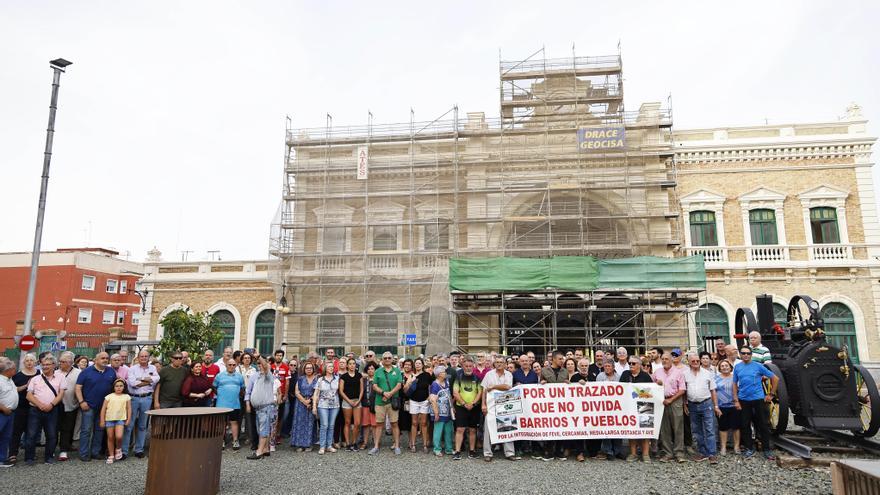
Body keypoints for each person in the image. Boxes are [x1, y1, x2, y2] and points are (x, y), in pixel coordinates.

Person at [733, 345, 778, 460]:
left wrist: (771, 394)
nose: (746, 355)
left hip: (758, 399)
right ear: (740, 354)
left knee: (763, 425)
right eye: (743, 353)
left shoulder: (758, 366)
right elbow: (734, 384)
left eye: (748, 353)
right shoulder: (737, 367)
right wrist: (736, 400)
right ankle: (749, 448)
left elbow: (775, 378)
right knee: (745, 425)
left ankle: (766, 449)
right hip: (743, 400)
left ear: (751, 355)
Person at [75, 352, 116, 462]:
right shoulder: (86, 372)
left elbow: (115, 387)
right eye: (102, 358)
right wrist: (81, 401)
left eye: (107, 358)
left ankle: (95, 452)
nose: (105, 360)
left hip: (104, 407)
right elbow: (78, 388)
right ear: (96, 360)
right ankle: (83, 453)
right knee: (86, 430)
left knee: (99, 430)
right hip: (89, 406)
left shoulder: (111, 371)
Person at [25, 354, 65, 465]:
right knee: (31, 434)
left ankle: (49, 457)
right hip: (35, 410)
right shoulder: (35, 379)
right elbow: (29, 395)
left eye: (48, 364)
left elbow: (61, 394)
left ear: (54, 365)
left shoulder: (61, 378)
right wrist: (40, 405)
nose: (45, 367)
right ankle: (29, 458)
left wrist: (51, 405)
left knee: (52, 435)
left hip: (52, 410)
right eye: (43, 365)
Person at [683, 352, 720, 464]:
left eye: (697, 361)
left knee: (709, 429)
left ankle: (712, 454)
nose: (695, 363)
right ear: (689, 362)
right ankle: (703, 453)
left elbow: (713, 390)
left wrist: (716, 405)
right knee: (697, 430)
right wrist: (685, 404)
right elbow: (684, 390)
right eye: (693, 361)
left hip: (706, 403)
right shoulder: (685, 374)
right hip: (692, 405)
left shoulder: (707, 373)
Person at [481, 356, 517, 461]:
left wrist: (493, 387)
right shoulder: (489, 374)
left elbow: (507, 386)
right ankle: (487, 453)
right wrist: (483, 404)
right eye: (497, 362)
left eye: (501, 362)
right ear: (494, 364)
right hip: (491, 405)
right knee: (487, 429)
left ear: (505, 364)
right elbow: (484, 390)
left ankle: (509, 453)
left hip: (505, 405)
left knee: (508, 427)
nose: (499, 364)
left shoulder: (509, 374)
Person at [124, 350, 158, 458]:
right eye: (141, 356)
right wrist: (148, 381)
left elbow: (157, 378)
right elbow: (133, 384)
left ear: (149, 358)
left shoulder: (153, 368)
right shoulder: (132, 369)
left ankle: (139, 449)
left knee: (143, 425)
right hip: (134, 398)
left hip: (147, 398)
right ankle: (124, 451)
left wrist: (141, 379)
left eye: (146, 356)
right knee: (129, 425)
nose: (144, 358)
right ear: (138, 358)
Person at [652, 352, 686, 463]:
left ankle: (679, 453)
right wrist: (656, 384)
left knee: (678, 427)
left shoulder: (678, 372)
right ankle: (667, 453)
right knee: (664, 429)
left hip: (675, 400)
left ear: (671, 360)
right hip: (661, 400)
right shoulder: (657, 372)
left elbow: (682, 389)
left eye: (666, 359)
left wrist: (671, 400)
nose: (664, 361)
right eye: (663, 359)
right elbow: (650, 387)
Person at [245, 356, 280, 460]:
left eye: (262, 364)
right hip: (259, 408)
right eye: (258, 364)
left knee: (263, 429)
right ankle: (265, 449)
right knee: (261, 429)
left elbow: (265, 366)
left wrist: (259, 357)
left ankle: (259, 452)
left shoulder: (268, 376)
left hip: (265, 407)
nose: (261, 365)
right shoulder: (257, 376)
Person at [619, 357, 653, 463]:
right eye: (630, 363)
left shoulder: (645, 376)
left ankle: (646, 454)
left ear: (639, 365)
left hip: (645, 405)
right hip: (629, 405)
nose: (631, 365)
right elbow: (620, 388)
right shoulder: (625, 374)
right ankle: (633, 453)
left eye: (633, 363)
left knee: (646, 429)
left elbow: (651, 390)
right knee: (631, 429)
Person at [370, 352, 403, 455]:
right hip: (380, 402)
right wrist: (384, 393)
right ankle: (376, 446)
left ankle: (397, 446)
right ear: (382, 359)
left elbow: (399, 385)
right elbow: (374, 385)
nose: (387, 359)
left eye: (389, 357)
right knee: (379, 424)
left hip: (393, 402)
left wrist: (389, 394)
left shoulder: (397, 371)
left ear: (392, 359)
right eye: (385, 358)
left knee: (394, 423)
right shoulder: (378, 371)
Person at [8, 352, 38, 464]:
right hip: (21, 407)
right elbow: (13, 390)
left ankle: (30, 454)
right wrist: (26, 386)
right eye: (27, 360)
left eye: (31, 360)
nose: (29, 362)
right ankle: (12, 454)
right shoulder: (17, 376)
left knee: (32, 432)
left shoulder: (40, 374)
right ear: (23, 362)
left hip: (35, 407)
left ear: (35, 362)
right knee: (17, 431)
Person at [540, 350, 569, 461]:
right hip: (549, 405)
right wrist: (542, 383)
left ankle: (558, 451)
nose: (562, 361)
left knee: (561, 427)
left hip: (561, 405)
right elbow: (539, 386)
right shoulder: (544, 371)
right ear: (554, 359)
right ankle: (549, 451)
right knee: (549, 427)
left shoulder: (565, 371)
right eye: (560, 359)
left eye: (563, 359)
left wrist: (568, 384)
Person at [452, 357, 481, 460]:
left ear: (473, 366)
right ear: (463, 366)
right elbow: (455, 392)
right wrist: (464, 404)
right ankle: (457, 451)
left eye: (470, 366)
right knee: (460, 429)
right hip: (461, 407)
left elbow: (479, 392)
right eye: (466, 366)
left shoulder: (477, 378)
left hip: (474, 407)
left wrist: (472, 404)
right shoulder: (458, 377)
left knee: (473, 430)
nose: (468, 368)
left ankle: (472, 451)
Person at [595, 359, 624, 460]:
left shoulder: (618, 377)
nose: (607, 368)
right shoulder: (600, 376)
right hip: (604, 407)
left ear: (613, 367)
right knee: (606, 429)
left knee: (617, 428)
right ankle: (608, 451)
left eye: (609, 366)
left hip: (616, 407)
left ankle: (617, 450)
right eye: (605, 366)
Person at [214, 358, 245, 450]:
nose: (231, 366)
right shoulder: (219, 376)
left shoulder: (239, 376)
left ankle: (235, 441)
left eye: (233, 365)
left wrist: (235, 395)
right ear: (226, 365)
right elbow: (214, 387)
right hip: (221, 404)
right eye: (229, 365)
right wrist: (221, 394)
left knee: (234, 422)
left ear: (236, 366)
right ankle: (221, 441)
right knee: (222, 423)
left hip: (234, 404)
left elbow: (242, 389)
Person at [56, 351, 81, 462]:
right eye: (60, 361)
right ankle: (54, 448)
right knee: (55, 428)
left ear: (70, 362)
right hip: (56, 405)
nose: (60, 363)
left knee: (68, 427)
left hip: (72, 404)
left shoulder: (79, 373)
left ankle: (64, 449)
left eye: (63, 362)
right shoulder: (55, 372)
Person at [99, 378, 131, 464]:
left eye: (121, 386)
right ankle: (111, 455)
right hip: (109, 419)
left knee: (119, 436)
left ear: (124, 387)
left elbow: (129, 409)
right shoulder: (108, 397)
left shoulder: (126, 397)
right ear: (113, 387)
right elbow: (103, 409)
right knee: (110, 437)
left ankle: (118, 448)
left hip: (120, 419)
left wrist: (128, 419)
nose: (119, 388)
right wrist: (102, 420)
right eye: (117, 386)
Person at [405, 357, 432, 453]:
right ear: (414, 365)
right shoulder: (411, 375)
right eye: (416, 363)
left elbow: (430, 387)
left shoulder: (427, 375)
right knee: (414, 423)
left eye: (419, 363)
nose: (417, 365)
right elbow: (405, 390)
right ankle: (413, 444)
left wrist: (430, 397)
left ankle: (425, 444)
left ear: (422, 365)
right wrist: (409, 382)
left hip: (424, 401)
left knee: (424, 423)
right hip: (413, 401)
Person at [312, 362, 340, 455]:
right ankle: (322, 446)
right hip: (323, 405)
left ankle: (329, 446)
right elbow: (316, 394)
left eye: (332, 366)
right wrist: (314, 406)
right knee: (324, 425)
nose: (331, 368)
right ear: (325, 368)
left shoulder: (337, 379)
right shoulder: (320, 379)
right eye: (329, 367)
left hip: (335, 405)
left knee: (331, 426)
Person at [715, 360, 740, 455]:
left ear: (730, 367)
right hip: (721, 406)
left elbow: (740, 390)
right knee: (723, 428)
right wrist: (716, 406)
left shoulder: (735, 378)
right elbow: (714, 393)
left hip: (734, 405)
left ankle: (736, 446)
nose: (725, 367)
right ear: (719, 368)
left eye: (726, 365)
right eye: (722, 366)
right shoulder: (716, 378)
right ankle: (723, 447)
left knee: (736, 427)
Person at [291, 362, 318, 451]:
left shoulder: (317, 379)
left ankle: (308, 444)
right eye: (307, 368)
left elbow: (317, 392)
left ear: (313, 369)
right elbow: (296, 392)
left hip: (312, 402)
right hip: (300, 404)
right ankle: (299, 444)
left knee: (310, 424)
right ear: (304, 369)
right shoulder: (300, 379)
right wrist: (304, 401)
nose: (309, 369)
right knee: (300, 423)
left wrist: (309, 401)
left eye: (310, 368)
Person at [338, 357, 362, 451]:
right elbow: (341, 390)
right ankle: (348, 443)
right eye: (350, 363)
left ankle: (354, 442)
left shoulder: (359, 375)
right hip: (347, 402)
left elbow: (361, 389)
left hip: (357, 401)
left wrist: (359, 400)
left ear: (356, 365)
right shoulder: (343, 377)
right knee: (347, 422)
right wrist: (349, 401)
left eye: (354, 363)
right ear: (347, 365)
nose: (352, 365)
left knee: (357, 423)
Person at [429, 365, 454, 456]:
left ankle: (449, 448)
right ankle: (437, 449)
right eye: (444, 372)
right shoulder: (435, 385)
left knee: (449, 431)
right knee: (438, 431)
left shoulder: (446, 382)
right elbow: (433, 400)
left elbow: (449, 395)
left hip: (447, 411)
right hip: (439, 412)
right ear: (439, 374)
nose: (446, 374)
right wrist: (436, 413)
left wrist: (452, 408)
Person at [0, 357, 19, 468]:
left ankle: (1, 459)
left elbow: (14, 391)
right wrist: (3, 408)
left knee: (5, 437)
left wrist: (27, 386)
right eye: (13, 369)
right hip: (2, 413)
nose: (15, 371)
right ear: (7, 370)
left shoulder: (9, 379)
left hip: (10, 413)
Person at [237, 353, 258, 450]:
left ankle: (248, 436)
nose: (247, 359)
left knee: (249, 416)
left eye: (248, 358)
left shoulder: (253, 369)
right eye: (245, 358)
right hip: (239, 395)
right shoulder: (238, 368)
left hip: (249, 395)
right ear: (242, 359)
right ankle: (237, 436)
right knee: (239, 416)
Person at [270, 350, 291, 445]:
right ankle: (270, 435)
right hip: (270, 395)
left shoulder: (286, 367)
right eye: (277, 355)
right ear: (274, 356)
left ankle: (277, 434)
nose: (279, 357)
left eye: (281, 355)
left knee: (280, 416)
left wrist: (285, 395)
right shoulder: (270, 366)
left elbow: (287, 382)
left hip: (281, 395)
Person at [359, 362, 377, 450]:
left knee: (374, 425)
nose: (370, 370)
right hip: (365, 404)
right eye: (369, 369)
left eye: (372, 369)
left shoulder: (378, 380)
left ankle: (375, 443)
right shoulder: (364, 380)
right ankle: (365, 442)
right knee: (365, 425)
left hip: (375, 405)